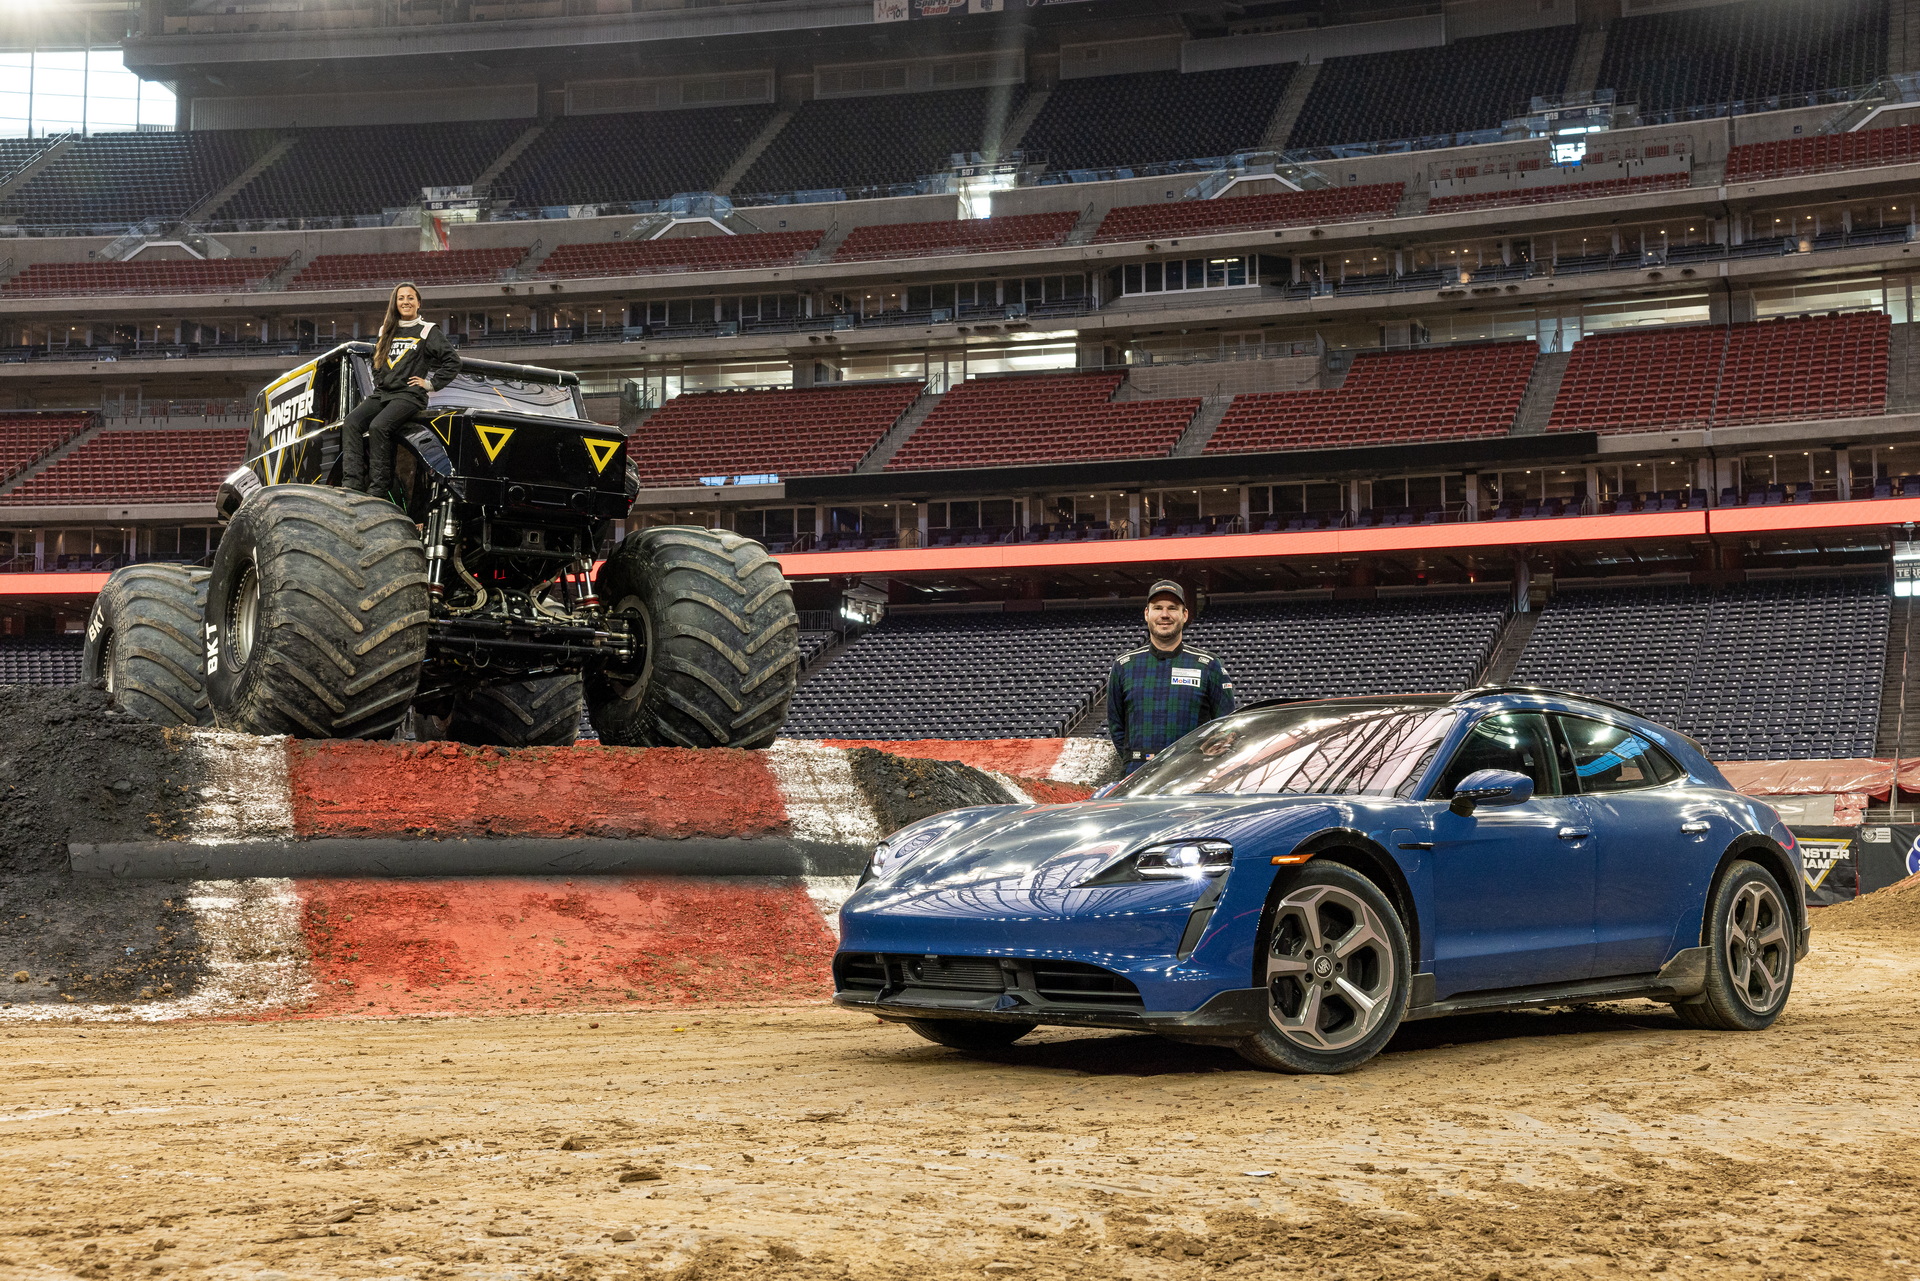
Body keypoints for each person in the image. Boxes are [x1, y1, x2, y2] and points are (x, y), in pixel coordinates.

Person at [341, 281, 461, 497]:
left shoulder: (427, 330)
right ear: (395, 303)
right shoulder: (386, 329)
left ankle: (379, 488)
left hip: (409, 395)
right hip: (384, 393)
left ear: (418, 303)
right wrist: (381, 380)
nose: (406, 301)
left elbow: (452, 361)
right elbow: (376, 360)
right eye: (401, 298)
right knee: (351, 422)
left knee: (379, 426)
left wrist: (430, 384)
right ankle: (352, 483)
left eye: (410, 298)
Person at [1107, 580, 1235, 774]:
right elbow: (1117, 728)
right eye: (1157, 608)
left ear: (1184, 615)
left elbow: (1225, 724)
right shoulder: (1124, 666)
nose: (1164, 615)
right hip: (1137, 774)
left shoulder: (1208, 665)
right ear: (1146, 614)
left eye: (1172, 608)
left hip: (1191, 775)